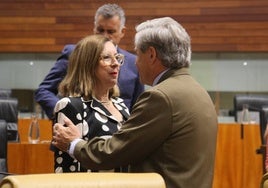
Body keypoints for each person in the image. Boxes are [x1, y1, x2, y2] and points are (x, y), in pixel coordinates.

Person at [52, 17, 218, 188]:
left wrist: (74, 144)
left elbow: (116, 151)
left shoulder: (160, 97)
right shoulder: (200, 92)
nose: (134, 63)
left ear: (152, 55)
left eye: (138, 54)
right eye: (107, 58)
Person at [35, 4, 144, 119]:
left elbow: (138, 107)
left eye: (111, 31)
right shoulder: (75, 54)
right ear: (94, 27)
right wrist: (64, 113)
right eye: (100, 30)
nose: (105, 36)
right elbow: (44, 91)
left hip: (119, 132)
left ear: (122, 32)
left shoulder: (133, 63)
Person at [53, 34, 130, 173]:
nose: (116, 63)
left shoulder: (121, 105)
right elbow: (67, 166)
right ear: (88, 64)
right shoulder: (71, 105)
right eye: (107, 57)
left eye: (117, 57)